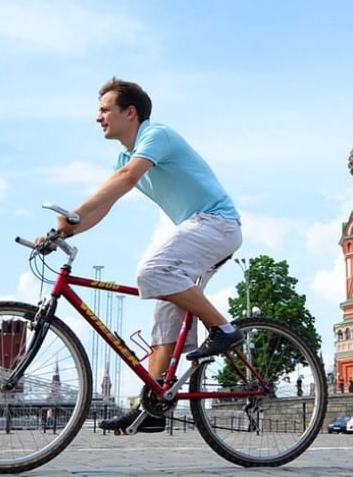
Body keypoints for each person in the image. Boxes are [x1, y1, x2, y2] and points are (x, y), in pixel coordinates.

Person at [51, 78, 243, 433]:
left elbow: (126, 178)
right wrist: (62, 231)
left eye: (104, 109)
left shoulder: (157, 135)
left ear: (130, 112)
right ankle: (152, 409)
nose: (98, 117)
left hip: (217, 223)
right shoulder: (126, 157)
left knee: (152, 271)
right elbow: (106, 201)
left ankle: (224, 329)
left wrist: (74, 213)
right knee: (164, 318)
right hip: (198, 228)